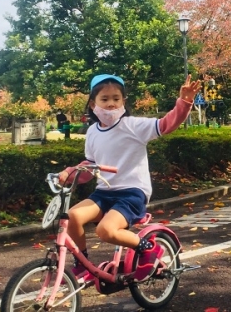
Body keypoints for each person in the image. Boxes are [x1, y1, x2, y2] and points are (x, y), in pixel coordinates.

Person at [58, 73, 201, 282]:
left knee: (105, 230)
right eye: (104, 99)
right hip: (104, 192)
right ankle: (82, 264)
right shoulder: (92, 132)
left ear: (124, 101)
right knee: (72, 217)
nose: (110, 104)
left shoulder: (133, 126)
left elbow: (165, 124)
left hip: (132, 193)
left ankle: (149, 249)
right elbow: (90, 165)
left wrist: (184, 102)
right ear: (92, 104)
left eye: (116, 99)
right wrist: (69, 173)